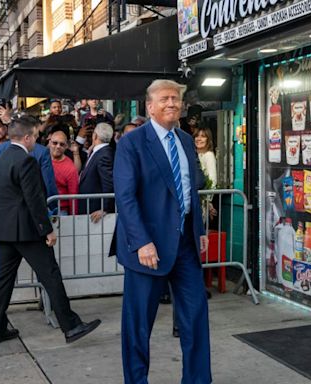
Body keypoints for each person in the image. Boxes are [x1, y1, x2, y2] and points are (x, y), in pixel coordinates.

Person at [114, 79, 211, 384]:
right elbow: (126, 197)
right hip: (148, 249)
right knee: (139, 326)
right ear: (150, 106)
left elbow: (190, 190)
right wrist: (142, 241)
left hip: (185, 246)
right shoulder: (132, 143)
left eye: (176, 99)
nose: (172, 103)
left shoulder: (184, 140)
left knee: (196, 319)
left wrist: (199, 230)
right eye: (165, 99)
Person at [0, 116, 101, 345]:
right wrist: (47, 229)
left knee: (3, 281)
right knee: (50, 275)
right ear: (27, 137)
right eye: (36, 137)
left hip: (5, 229)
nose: (37, 141)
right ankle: (71, 326)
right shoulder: (26, 160)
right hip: (27, 230)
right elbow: (35, 199)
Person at [78, 122, 114, 222]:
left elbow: (109, 183)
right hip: (89, 207)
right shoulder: (97, 151)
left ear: (95, 135)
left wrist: (105, 209)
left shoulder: (104, 155)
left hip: (95, 210)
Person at [49, 130, 79, 215]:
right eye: (55, 143)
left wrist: (73, 218)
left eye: (62, 144)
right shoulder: (42, 158)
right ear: (49, 143)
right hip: (42, 209)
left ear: (66, 146)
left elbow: (73, 196)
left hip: (60, 211)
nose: (58, 146)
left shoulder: (70, 168)